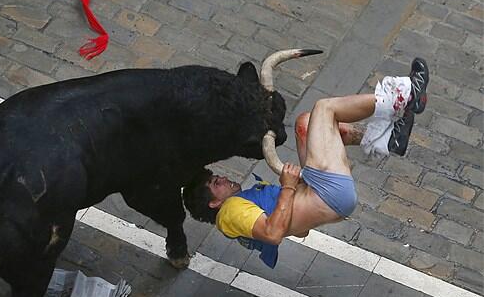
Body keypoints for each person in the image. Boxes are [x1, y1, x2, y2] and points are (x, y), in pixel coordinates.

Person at [183, 58, 429, 267]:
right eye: (216, 183)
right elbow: (273, 233)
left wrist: (299, 202)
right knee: (324, 109)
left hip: (324, 195)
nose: (223, 178)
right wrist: (289, 186)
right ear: (215, 202)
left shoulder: (242, 208)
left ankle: (385, 141)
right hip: (328, 193)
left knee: (306, 124)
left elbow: (300, 231)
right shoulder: (230, 212)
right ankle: (402, 97)